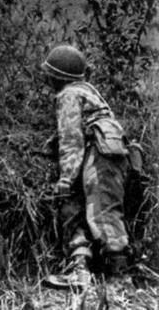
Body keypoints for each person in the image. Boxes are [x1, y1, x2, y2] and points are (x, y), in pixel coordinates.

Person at [41, 45, 131, 289]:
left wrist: (66, 178)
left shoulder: (69, 95)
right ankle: (84, 271)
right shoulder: (90, 92)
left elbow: (72, 140)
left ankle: (119, 278)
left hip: (98, 156)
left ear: (58, 76)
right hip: (111, 155)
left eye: (49, 74)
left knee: (100, 210)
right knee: (96, 206)